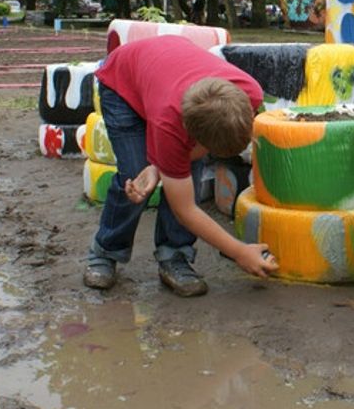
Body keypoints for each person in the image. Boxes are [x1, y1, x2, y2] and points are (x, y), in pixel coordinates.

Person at [83, 35, 277, 296]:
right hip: (123, 84)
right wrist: (239, 251)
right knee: (134, 177)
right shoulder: (168, 123)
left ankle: (174, 256)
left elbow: (188, 156)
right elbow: (184, 209)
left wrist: (160, 165)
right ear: (189, 132)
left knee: (184, 173)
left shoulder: (249, 92)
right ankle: (105, 251)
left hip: (166, 73)